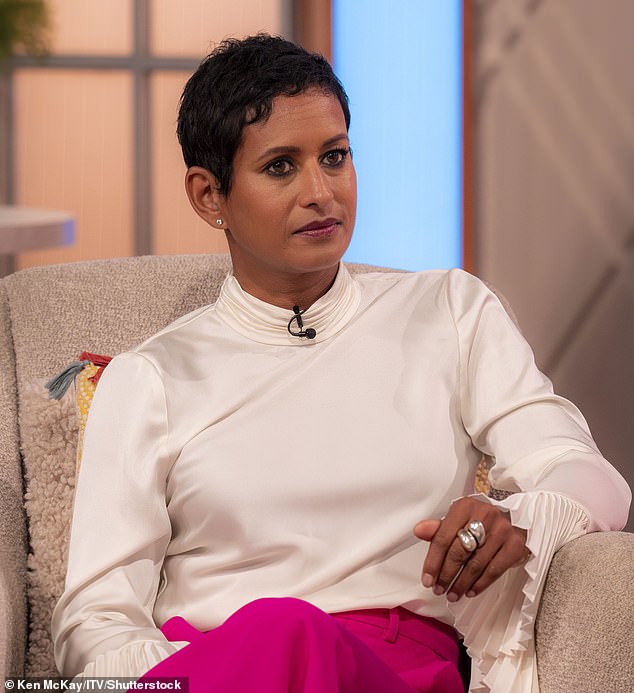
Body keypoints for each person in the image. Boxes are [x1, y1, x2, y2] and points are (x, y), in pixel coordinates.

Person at [51, 34, 630, 692]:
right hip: (224, 668)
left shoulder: (450, 312)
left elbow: (590, 475)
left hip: (394, 670)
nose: (321, 192)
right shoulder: (151, 377)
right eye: (281, 167)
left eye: (335, 156)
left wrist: (519, 521)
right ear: (209, 195)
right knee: (279, 631)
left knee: (287, 629)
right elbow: (97, 619)